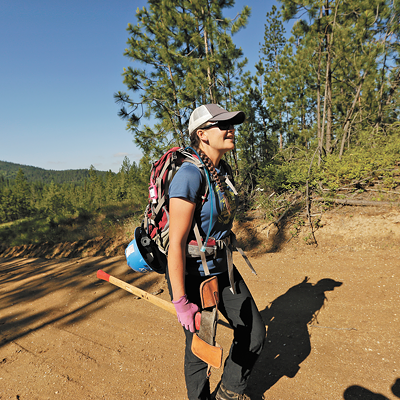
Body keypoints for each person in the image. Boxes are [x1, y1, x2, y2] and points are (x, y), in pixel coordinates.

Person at [166, 104, 266, 400]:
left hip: (222, 267)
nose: (231, 129)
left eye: (232, 123)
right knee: (201, 347)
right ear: (202, 135)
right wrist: (181, 300)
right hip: (193, 274)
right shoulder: (189, 175)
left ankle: (229, 392)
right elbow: (176, 244)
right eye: (223, 125)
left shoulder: (220, 171)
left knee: (254, 333)